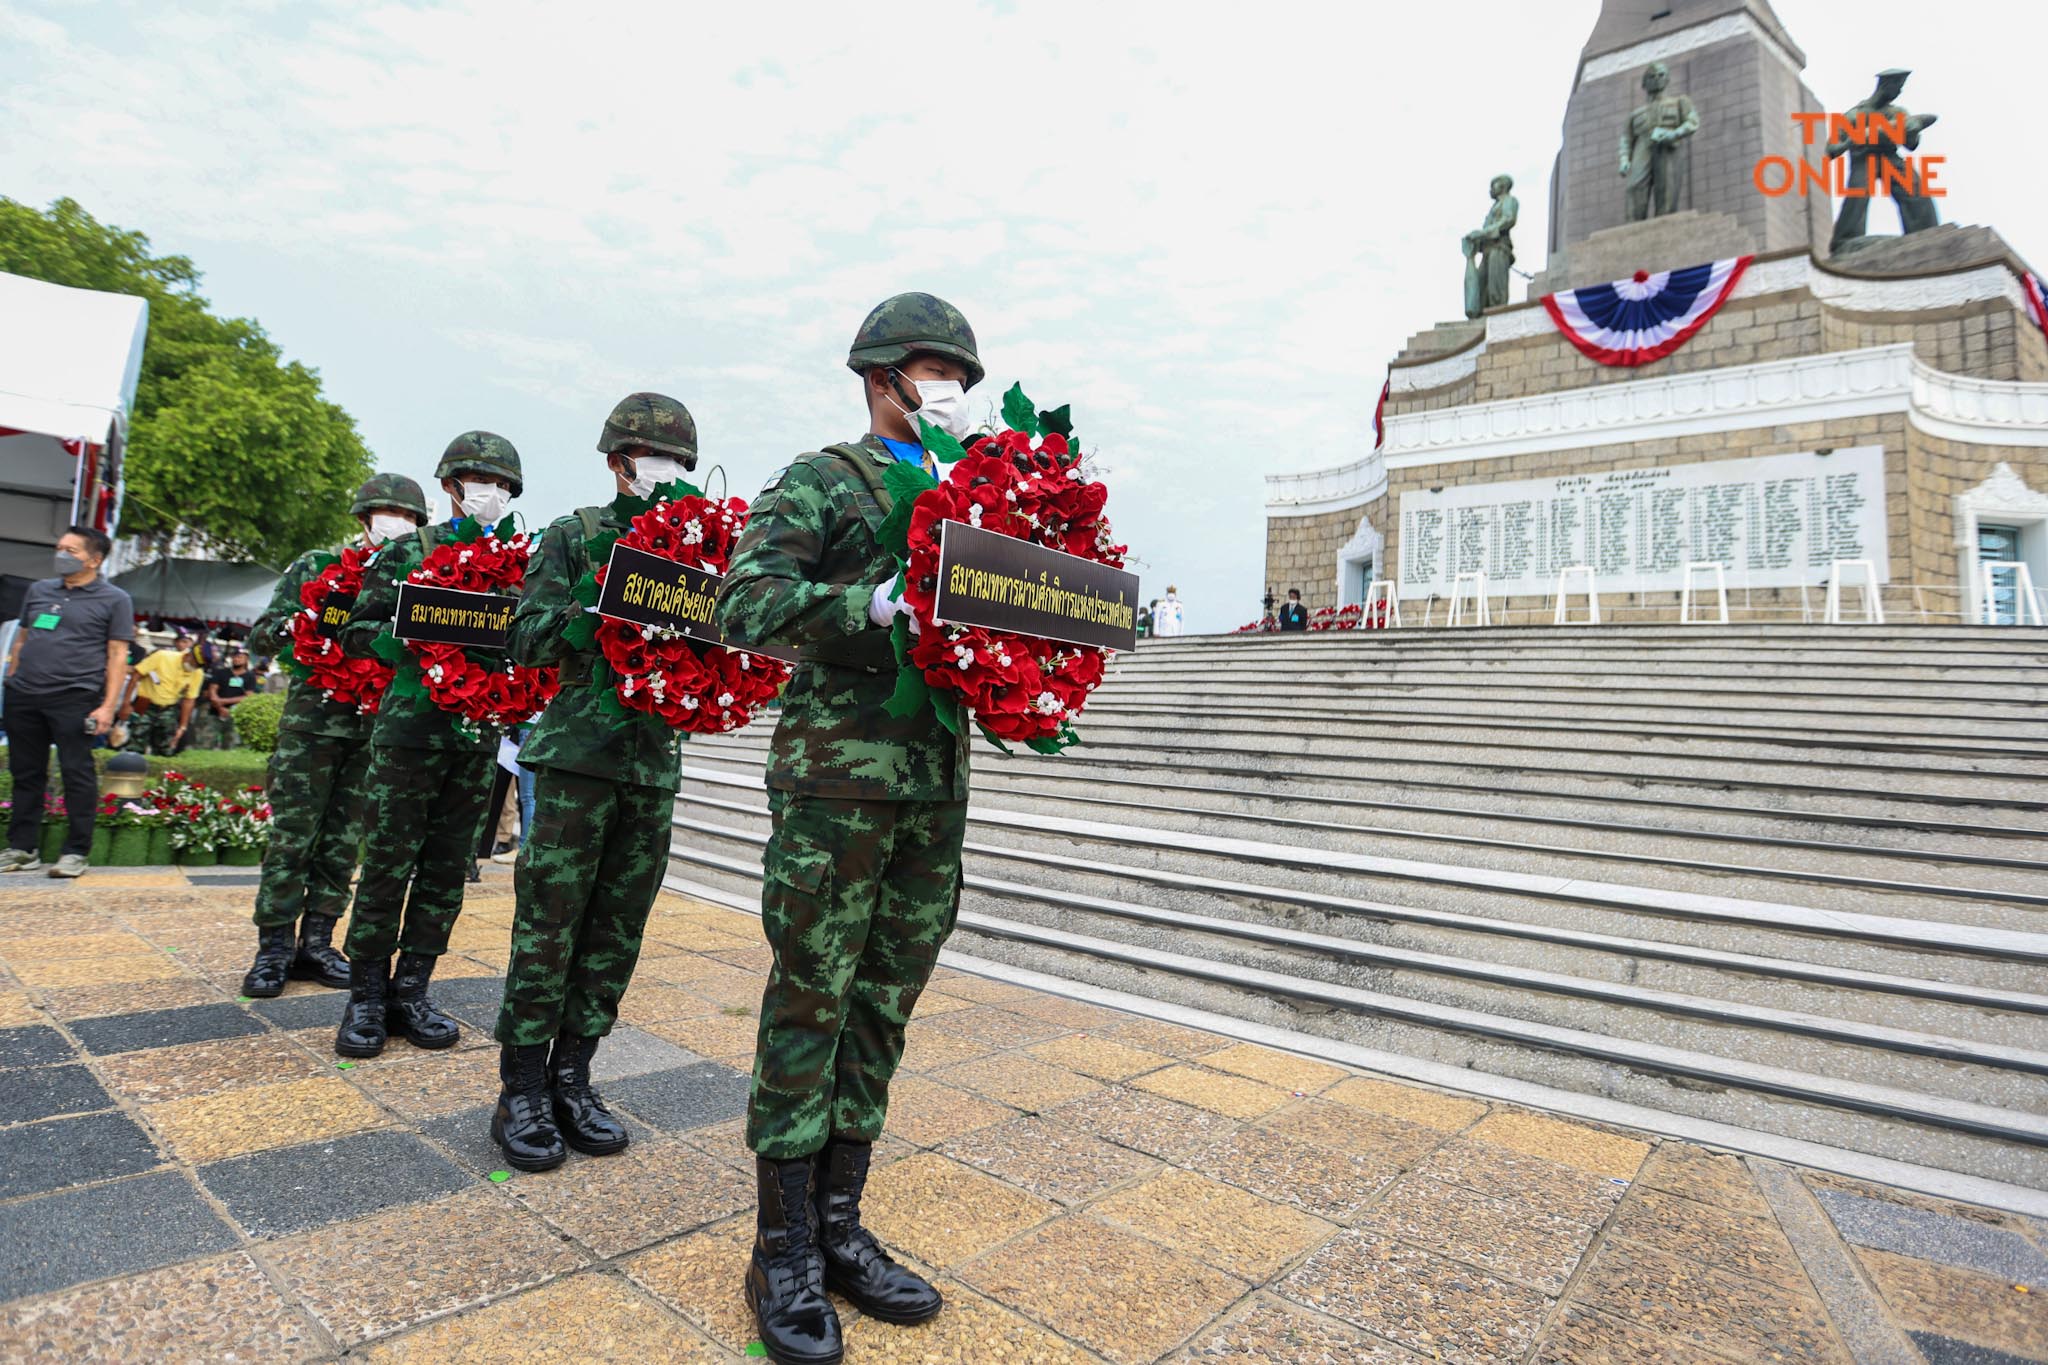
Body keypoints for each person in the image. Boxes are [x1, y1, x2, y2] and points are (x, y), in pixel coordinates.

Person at [715, 292, 982, 1361]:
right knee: (813, 1001)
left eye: (959, 375)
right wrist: (864, 607)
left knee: (882, 1004)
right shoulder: (823, 480)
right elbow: (744, 602)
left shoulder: (985, 497)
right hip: (835, 788)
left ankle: (837, 1227)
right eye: (932, 374)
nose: (949, 392)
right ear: (882, 381)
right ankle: (779, 1249)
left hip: (931, 791)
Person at [488, 392, 700, 1173]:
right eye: (655, 458)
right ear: (619, 463)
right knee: (550, 924)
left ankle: (574, 1078)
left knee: (617, 930)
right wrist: (599, 603)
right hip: (578, 757)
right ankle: (521, 1089)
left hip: (651, 763)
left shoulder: (697, 549)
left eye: (680, 461)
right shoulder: (574, 535)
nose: (668, 472)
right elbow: (527, 638)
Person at [334, 434, 523, 1058]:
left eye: (502, 484)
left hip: (475, 740)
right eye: (478, 479)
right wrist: (416, 637)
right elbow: (358, 631)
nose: (490, 492)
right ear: (451, 485)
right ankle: (366, 996)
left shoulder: (521, 561)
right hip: (410, 734)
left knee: (446, 871)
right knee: (388, 864)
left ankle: (412, 989)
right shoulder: (409, 552)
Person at [239, 474, 430, 999]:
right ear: (363, 517)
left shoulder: (414, 576)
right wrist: (300, 622)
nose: (398, 523)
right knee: (293, 836)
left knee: (345, 841)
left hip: (373, 726)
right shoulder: (315, 566)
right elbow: (261, 635)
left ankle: (319, 941)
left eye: (410, 517)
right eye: (388, 513)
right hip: (312, 726)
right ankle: (274, 945)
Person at [1, 526, 135, 878]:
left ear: (94, 560)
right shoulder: (39, 590)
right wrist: (11, 680)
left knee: (76, 773)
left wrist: (108, 706)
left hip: (74, 696)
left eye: (71, 550)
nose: (61, 554)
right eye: (59, 547)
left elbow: (118, 655)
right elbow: (22, 639)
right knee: (25, 773)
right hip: (24, 694)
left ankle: (75, 852)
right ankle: (22, 848)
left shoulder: (114, 599)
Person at [121, 631, 204, 755]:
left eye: (198, 666)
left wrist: (182, 726)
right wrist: (126, 704)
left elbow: (189, 700)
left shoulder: (197, 673)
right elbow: (135, 677)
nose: (194, 667)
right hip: (145, 706)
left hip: (168, 710)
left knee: (165, 750)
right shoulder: (162, 656)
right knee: (134, 746)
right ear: (188, 655)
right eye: (193, 664)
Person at [200, 646, 261, 748]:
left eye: (240, 657)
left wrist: (223, 701)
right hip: (215, 711)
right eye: (235, 657)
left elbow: (248, 696)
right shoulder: (221, 672)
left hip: (236, 713)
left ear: (246, 660)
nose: (237, 659)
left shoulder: (250, 676)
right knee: (207, 742)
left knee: (231, 743)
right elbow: (212, 690)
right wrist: (219, 707)